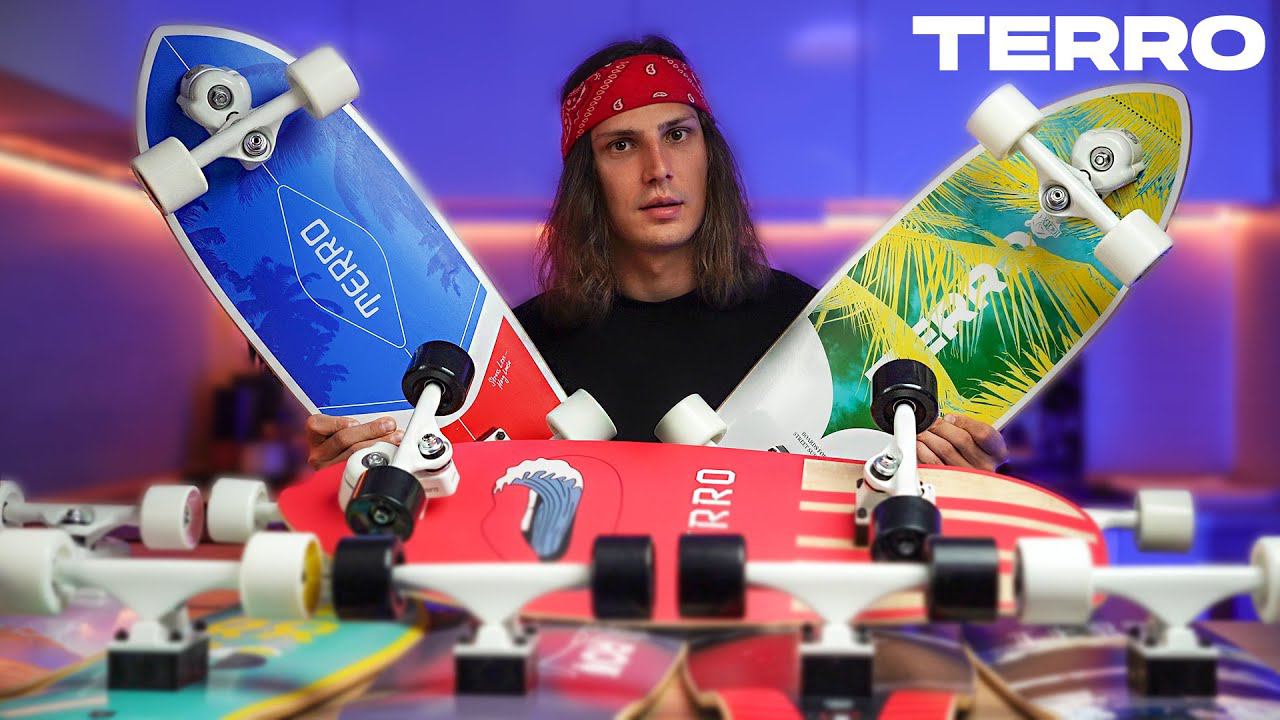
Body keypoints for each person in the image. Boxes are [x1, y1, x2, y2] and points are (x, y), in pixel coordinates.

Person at [305, 36, 1008, 473]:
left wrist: (953, 475)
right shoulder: (517, 351)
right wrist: (363, 461)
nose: (658, 169)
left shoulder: (806, 329)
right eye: (621, 145)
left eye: (678, 134)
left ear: (709, 156)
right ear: (588, 182)